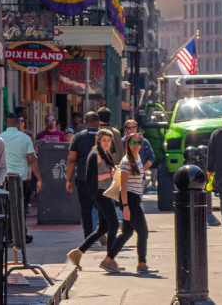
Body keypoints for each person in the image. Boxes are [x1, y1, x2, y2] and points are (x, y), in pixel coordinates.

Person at [67, 130, 121, 269]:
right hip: (100, 193)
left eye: (109, 140)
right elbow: (94, 177)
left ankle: (77, 253)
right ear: (98, 140)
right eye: (104, 140)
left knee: (103, 227)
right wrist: (111, 173)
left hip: (104, 192)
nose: (107, 143)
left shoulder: (103, 153)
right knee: (113, 224)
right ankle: (109, 260)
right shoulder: (96, 155)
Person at [104, 130, 157, 274]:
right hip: (129, 200)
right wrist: (126, 207)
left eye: (138, 142)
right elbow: (124, 186)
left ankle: (108, 260)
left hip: (134, 199)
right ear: (127, 144)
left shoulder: (137, 158)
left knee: (127, 232)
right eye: (133, 142)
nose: (136, 145)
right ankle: (142, 264)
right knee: (143, 232)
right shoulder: (127, 161)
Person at [66, 111, 104, 240]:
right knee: (102, 206)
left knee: (86, 208)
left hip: (83, 177)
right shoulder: (105, 137)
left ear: (85, 123)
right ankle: (102, 231)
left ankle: (88, 235)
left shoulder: (78, 137)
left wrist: (68, 180)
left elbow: (71, 160)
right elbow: (112, 158)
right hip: (102, 178)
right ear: (98, 122)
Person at [0, 112, 42, 201]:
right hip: (21, 176)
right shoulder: (26, 138)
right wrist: (39, 178)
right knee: (22, 204)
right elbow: (32, 160)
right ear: (17, 123)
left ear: (6, 123)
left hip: (4, 176)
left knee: (5, 203)